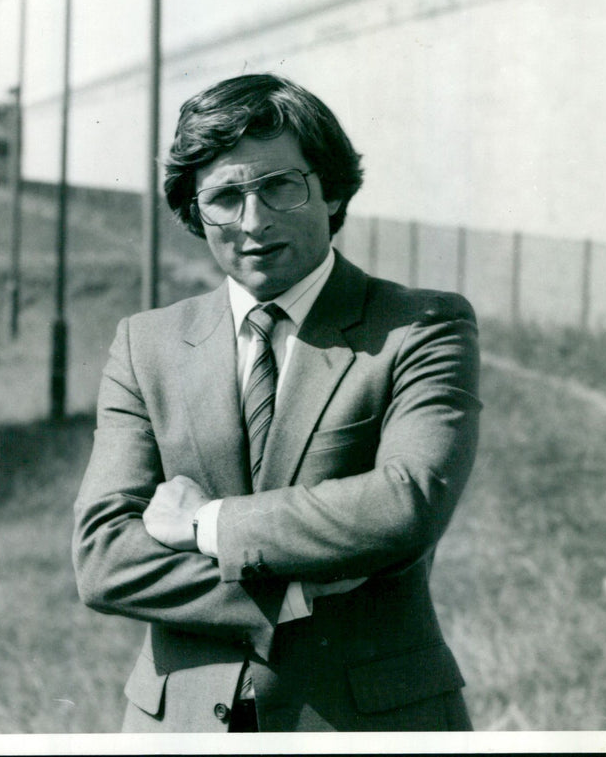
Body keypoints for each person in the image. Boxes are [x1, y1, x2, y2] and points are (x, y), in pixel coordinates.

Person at [72, 73, 481, 733]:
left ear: (332, 188)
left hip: (366, 723)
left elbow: (407, 502)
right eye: (224, 197)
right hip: (181, 725)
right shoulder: (145, 344)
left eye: (280, 186)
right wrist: (289, 593)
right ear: (195, 211)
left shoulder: (419, 326)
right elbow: (103, 559)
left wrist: (206, 524)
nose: (254, 220)